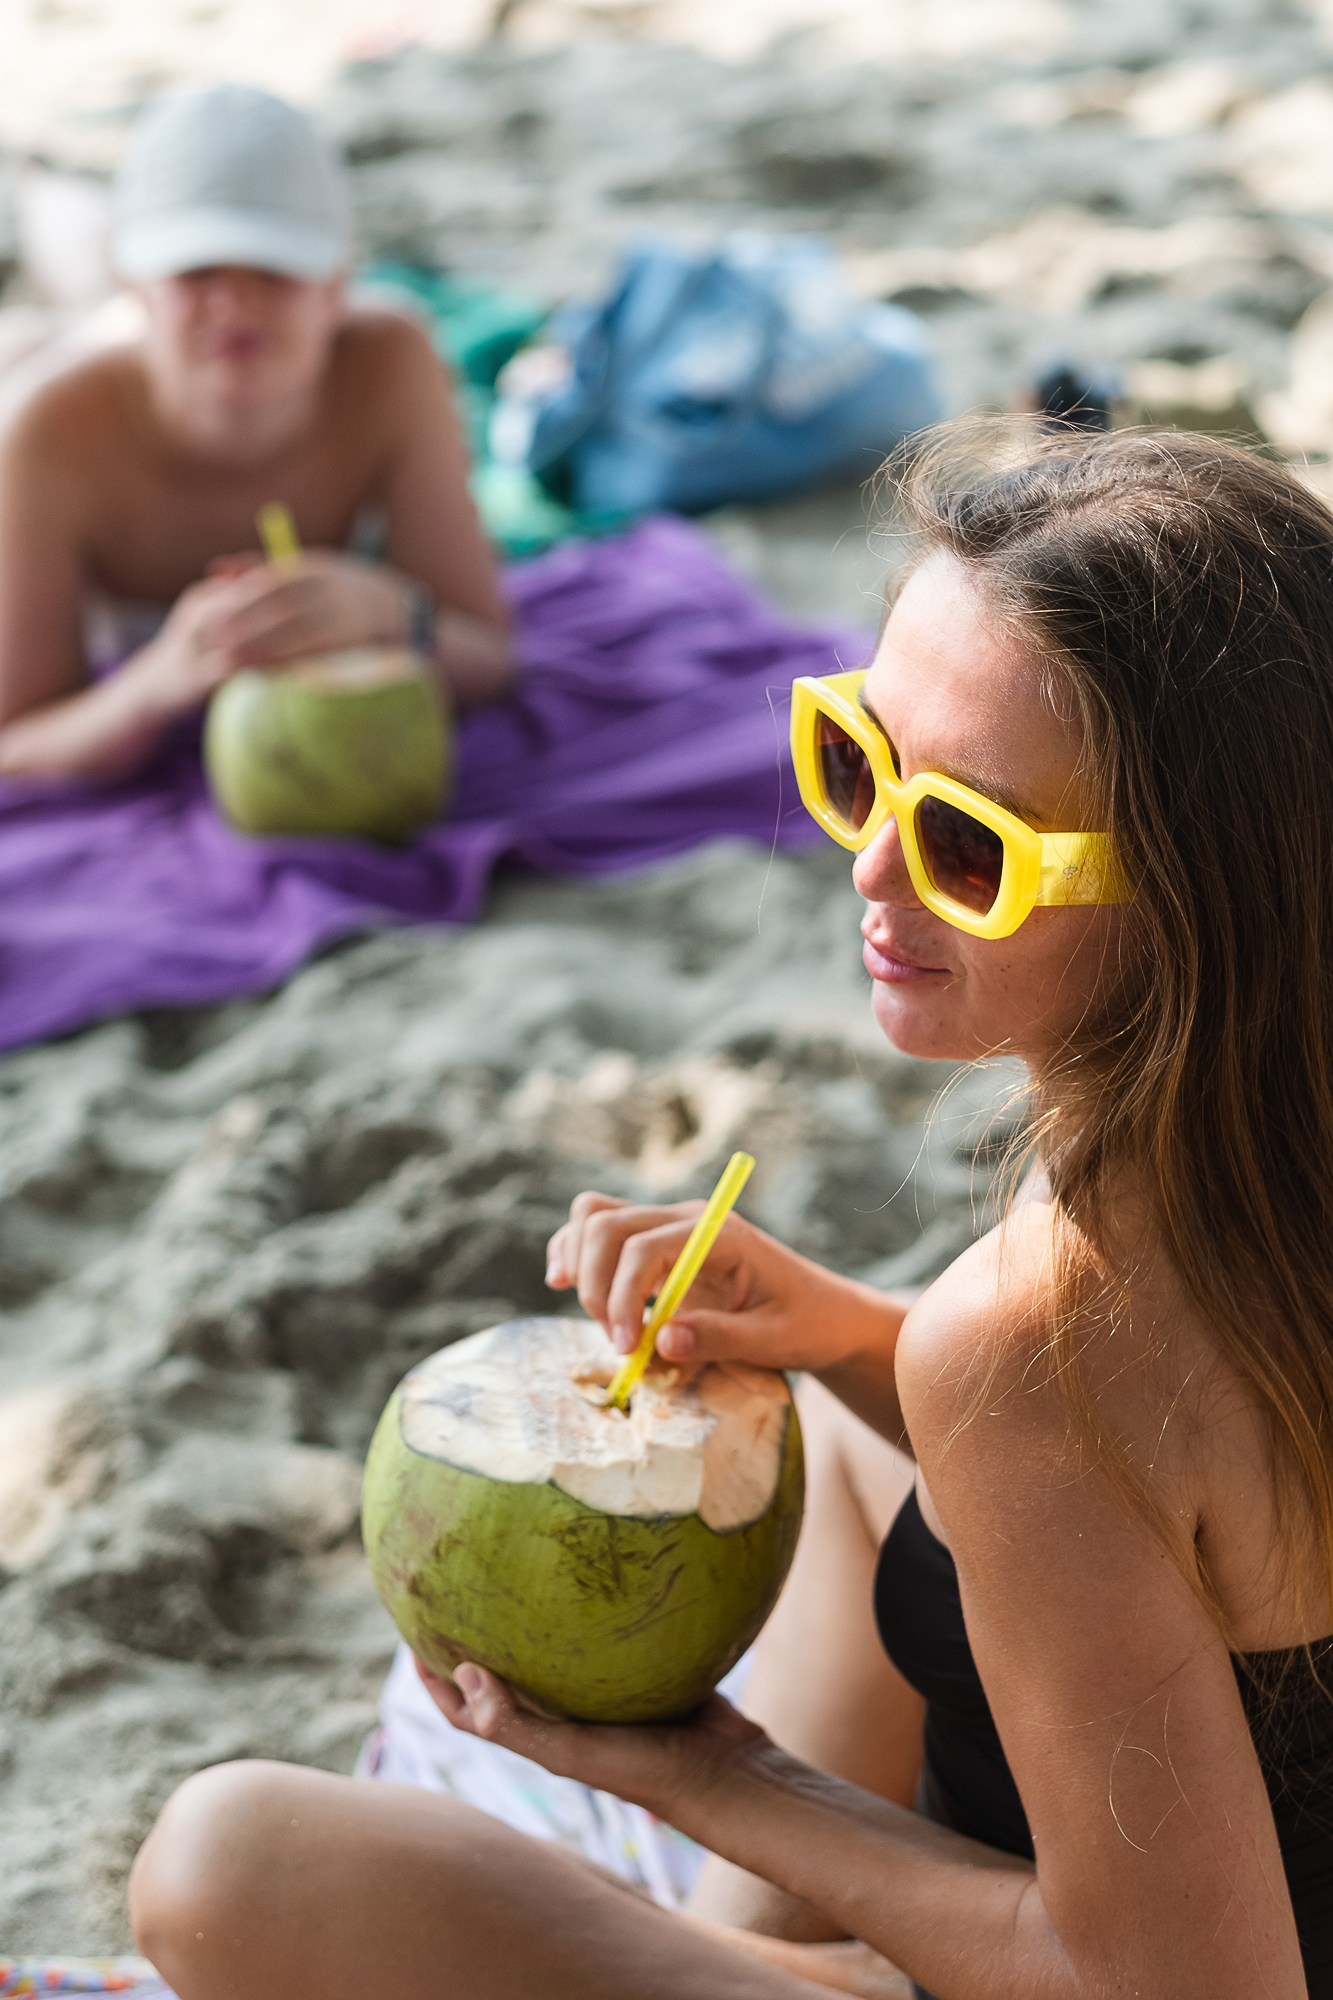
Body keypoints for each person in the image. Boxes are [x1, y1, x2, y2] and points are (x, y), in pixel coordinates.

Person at [127, 425, 1333, 2000]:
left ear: (1196, 889)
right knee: (830, 1428)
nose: (872, 868)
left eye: (969, 845)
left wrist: (718, 1778)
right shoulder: (1248, 1136)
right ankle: (729, 1948)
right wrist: (842, 1333)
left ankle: (723, 1953)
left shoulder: (1045, 1338)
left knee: (228, 1865)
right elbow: (1208, 1496)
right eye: (856, 759)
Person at [0, 84, 511, 783]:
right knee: (48, 328)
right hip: (62, 366)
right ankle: (40, 186)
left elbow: (490, 655)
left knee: (85, 296)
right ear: (140, 285)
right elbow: (16, 742)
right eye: (196, 268)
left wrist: (393, 613)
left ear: (338, 282)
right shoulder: (44, 431)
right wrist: (156, 684)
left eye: (274, 269)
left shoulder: (392, 358)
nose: (235, 301)